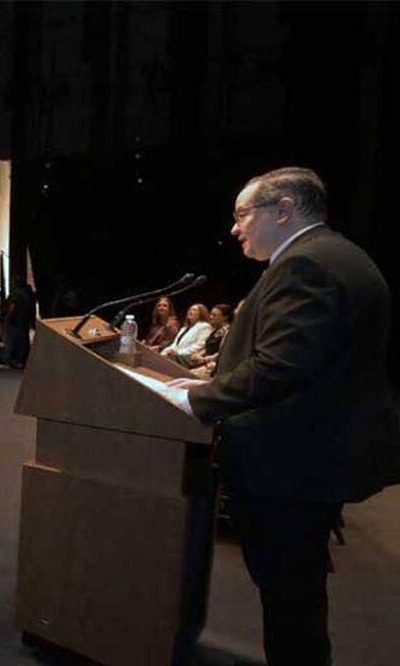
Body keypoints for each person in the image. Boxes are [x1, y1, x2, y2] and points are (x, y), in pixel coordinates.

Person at [171, 167, 400, 666]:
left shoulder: (306, 266)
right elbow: (299, 357)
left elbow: (281, 367)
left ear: (283, 211)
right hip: (317, 456)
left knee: (290, 606)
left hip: (292, 466)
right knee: (295, 599)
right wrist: (212, 382)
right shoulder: (336, 254)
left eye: (242, 215)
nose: (235, 229)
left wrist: (199, 402)